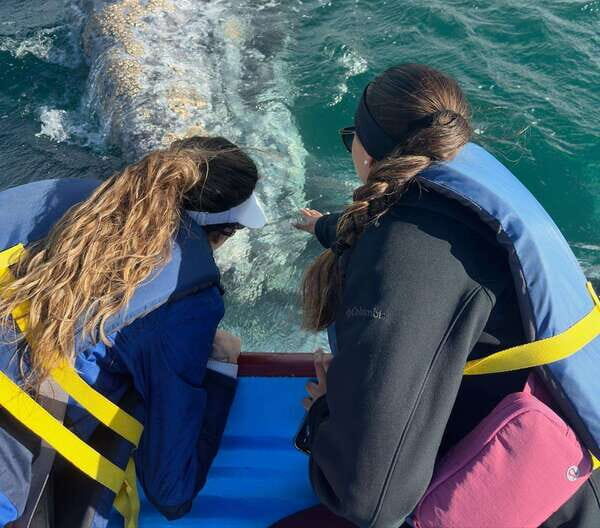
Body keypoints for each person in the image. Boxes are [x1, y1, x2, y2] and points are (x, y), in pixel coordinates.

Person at [276, 63, 600, 528]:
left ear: (367, 153)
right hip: (568, 461)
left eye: (351, 137)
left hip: (535, 504)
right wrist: (323, 227)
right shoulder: (469, 186)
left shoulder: (404, 251)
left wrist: (327, 412)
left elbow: (370, 499)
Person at [0, 135, 266, 527]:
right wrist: (222, 369)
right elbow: (170, 488)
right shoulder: (186, 299)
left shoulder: (42, 197)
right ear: (219, 234)